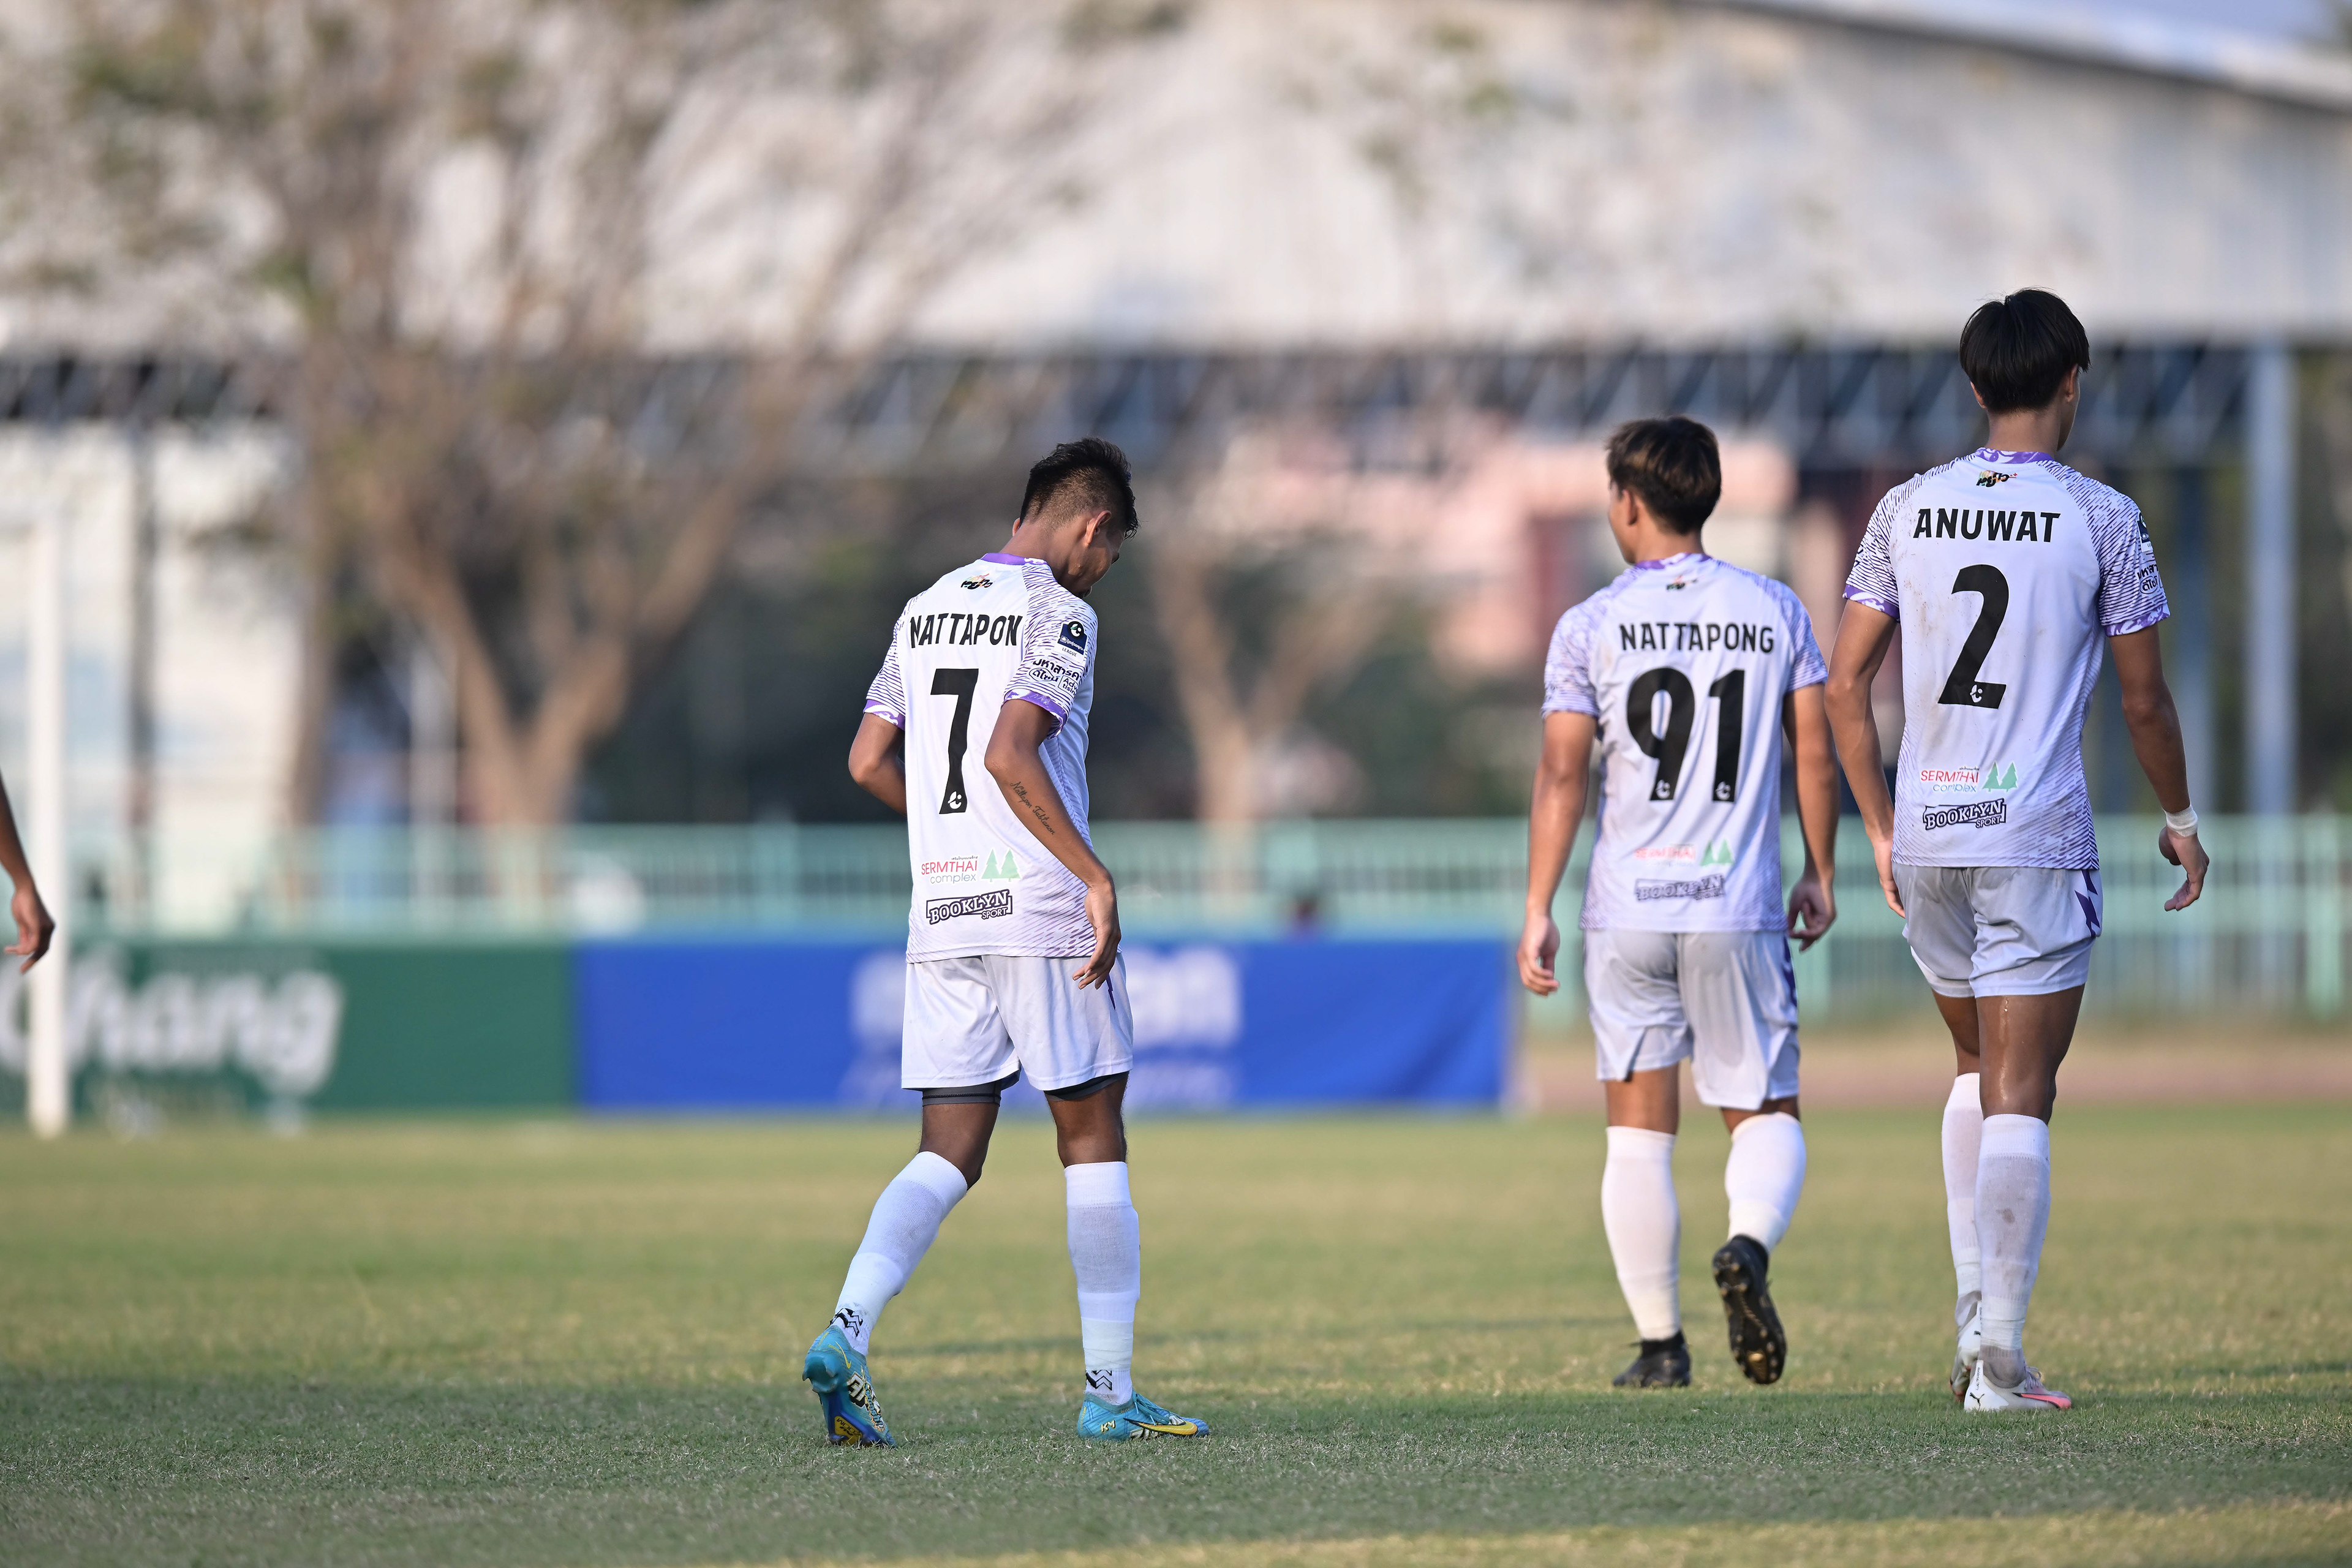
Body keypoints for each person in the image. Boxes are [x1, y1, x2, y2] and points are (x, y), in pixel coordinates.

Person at [1825, 288, 2208, 1414]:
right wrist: (2181, 820)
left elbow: (1845, 684)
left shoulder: (1906, 507)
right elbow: (2143, 700)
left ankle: (1972, 1325)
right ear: (2072, 383)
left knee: (1972, 1070)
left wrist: (1880, 825)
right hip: (2033, 833)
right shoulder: (2103, 517)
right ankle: (1999, 1360)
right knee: (2022, 1091)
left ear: (1976, 386)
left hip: (1929, 831)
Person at [803, 437, 1209, 1446]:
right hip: (1037, 908)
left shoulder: (924, 607)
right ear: (1091, 527)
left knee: (948, 1149)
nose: (1103, 571)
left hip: (943, 910)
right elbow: (1009, 751)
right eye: (1111, 552)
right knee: (1092, 1132)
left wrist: (952, 842)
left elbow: (867, 761)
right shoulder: (1060, 613)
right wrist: (1093, 876)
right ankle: (1110, 1393)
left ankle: (847, 1331)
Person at [1521, 416, 1841, 1390]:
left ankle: (1660, 1347)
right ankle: (1747, 1245)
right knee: (1764, 1110)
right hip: (1733, 902)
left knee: (1636, 1133)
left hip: (1627, 908)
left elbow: (1562, 774)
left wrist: (1538, 906)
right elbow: (1814, 751)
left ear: (1626, 503)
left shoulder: (1590, 624)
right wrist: (1820, 868)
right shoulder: (1774, 608)